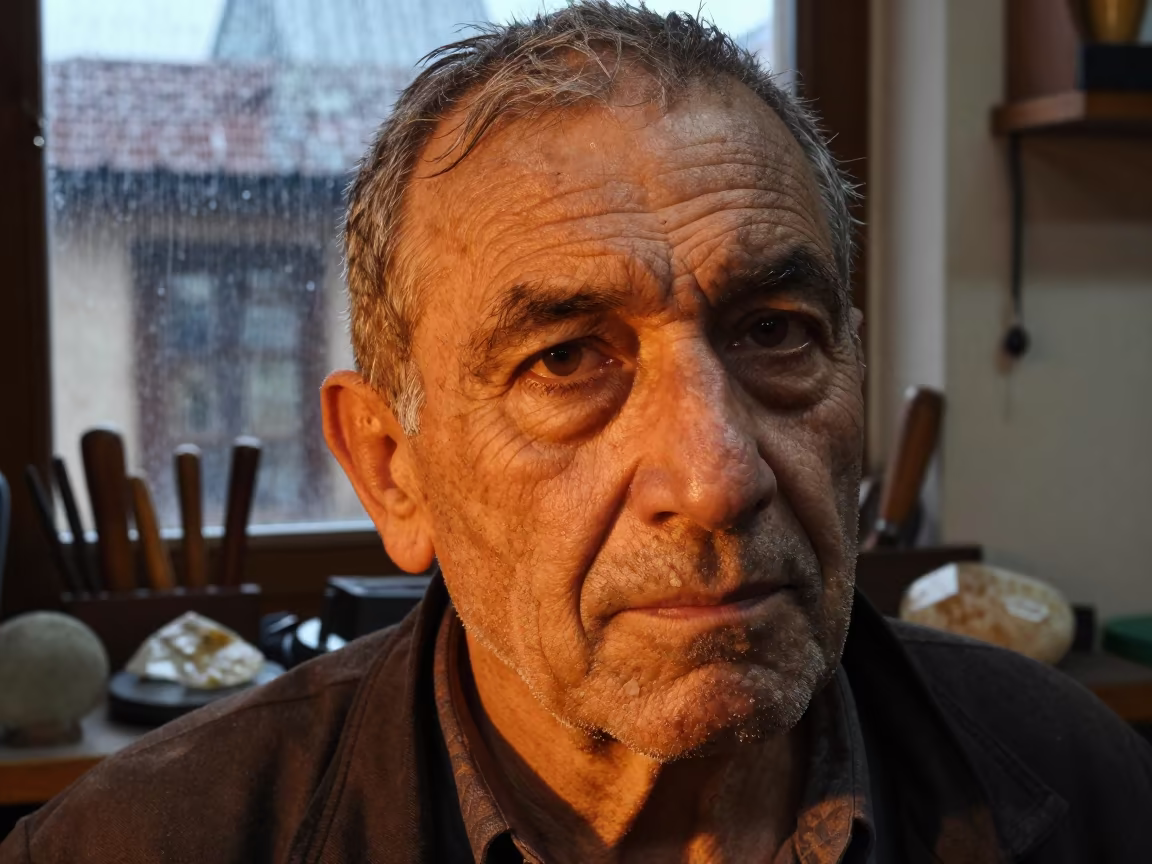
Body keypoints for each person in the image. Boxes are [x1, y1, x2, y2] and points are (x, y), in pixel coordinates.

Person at [4, 3, 1151, 862]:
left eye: (775, 332)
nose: (716, 476)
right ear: (392, 470)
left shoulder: (1084, 787)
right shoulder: (139, 844)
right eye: (563, 360)